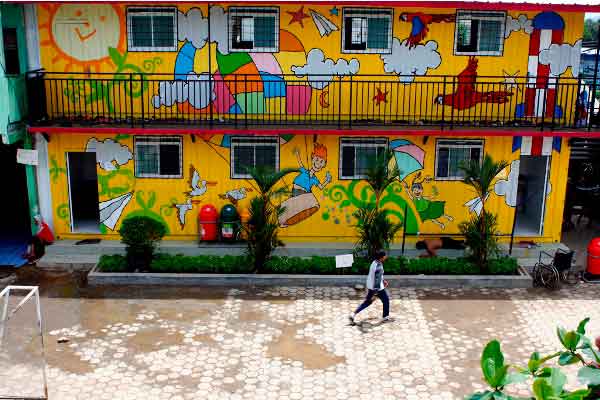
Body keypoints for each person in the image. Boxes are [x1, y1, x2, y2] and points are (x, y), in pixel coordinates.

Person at [349, 250, 390, 324]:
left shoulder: (374, 262)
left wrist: (383, 280)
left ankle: (353, 314)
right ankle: (385, 317)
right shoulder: (379, 267)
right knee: (386, 300)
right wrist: (376, 292)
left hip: (370, 286)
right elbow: (377, 280)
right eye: (385, 255)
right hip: (378, 289)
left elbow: (376, 275)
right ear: (382, 257)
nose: (386, 257)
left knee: (368, 302)